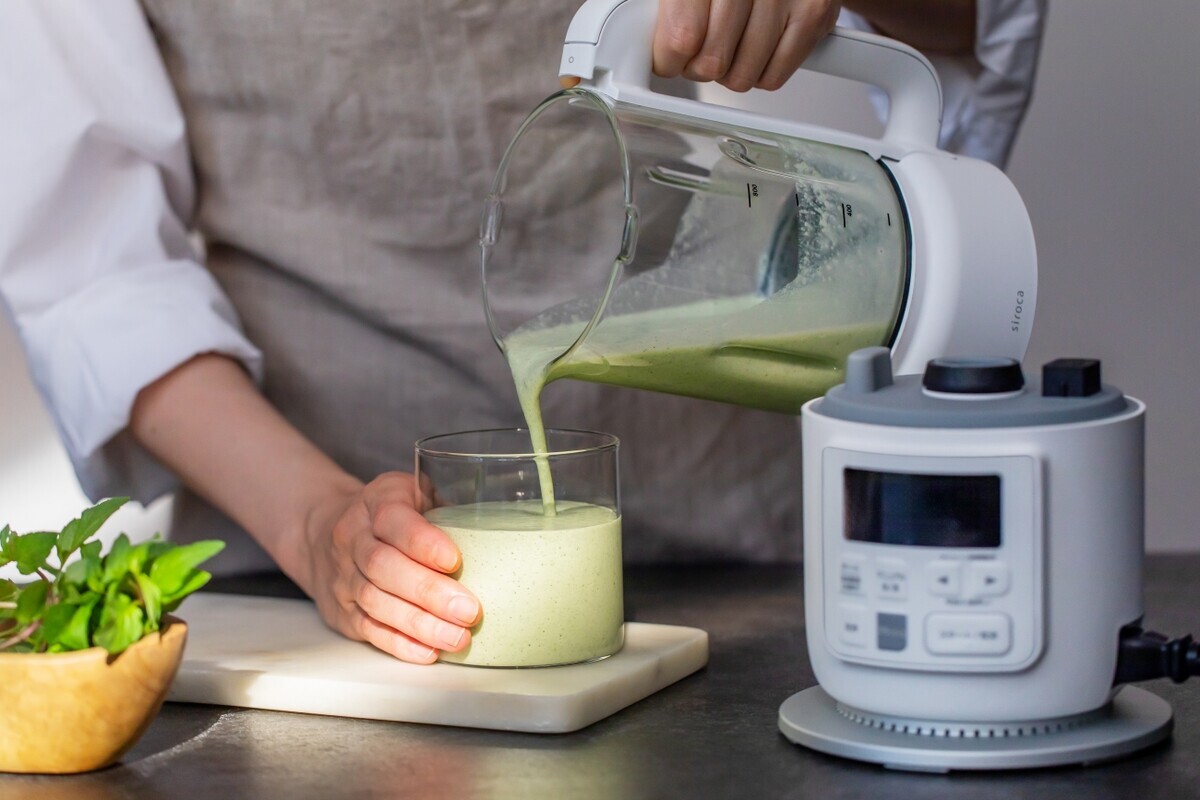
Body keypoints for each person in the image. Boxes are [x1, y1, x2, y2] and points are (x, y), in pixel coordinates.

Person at [0, 1, 1045, 664]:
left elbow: (969, 24)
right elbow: (93, 264)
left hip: (736, 545)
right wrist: (317, 524)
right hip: (305, 563)